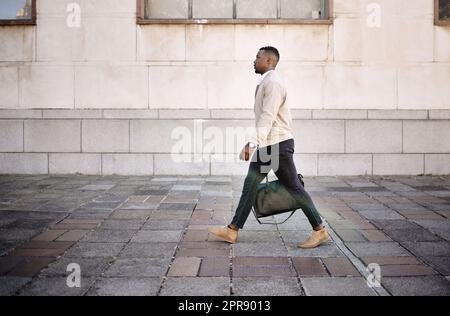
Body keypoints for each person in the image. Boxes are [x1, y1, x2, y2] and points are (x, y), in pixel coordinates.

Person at [208, 46, 330, 249]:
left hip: (277, 145)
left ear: (270, 61)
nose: (254, 60)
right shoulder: (267, 82)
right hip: (269, 145)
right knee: (250, 186)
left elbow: (268, 116)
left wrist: (252, 143)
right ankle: (232, 229)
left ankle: (319, 230)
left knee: (294, 187)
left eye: (258, 57)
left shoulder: (273, 83)